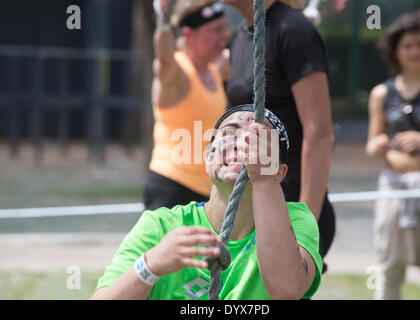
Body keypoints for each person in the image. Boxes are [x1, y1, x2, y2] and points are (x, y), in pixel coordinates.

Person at [91, 106, 323, 300]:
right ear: (207, 156)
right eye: (230, 133)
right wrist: (150, 265)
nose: (242, 143)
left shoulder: (296, 221)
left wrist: (263, 178)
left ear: (280, 173)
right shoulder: (160, 226)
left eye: (259, 140)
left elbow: (286, 291)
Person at [222, 0, 336, 268]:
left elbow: (320, 134)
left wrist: (306, 223)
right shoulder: (240, 34)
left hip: (291, 207)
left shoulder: (294, 31)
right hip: (251, 209)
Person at [366, 10, 420, 300]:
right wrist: (377, 146)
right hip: (394, 189)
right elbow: (373, 142)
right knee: (389, 267)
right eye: (408, 45)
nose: (415, 51)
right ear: (396, 50)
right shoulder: (381, 93)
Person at [142, 0, 229, 210]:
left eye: (225, 28)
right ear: (189, 35)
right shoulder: (177, 73)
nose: (225, 36)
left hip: (207, 191)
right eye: (216, 30)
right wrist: (162, 24)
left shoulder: (216, 69)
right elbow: (163, 60)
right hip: (171, 186)